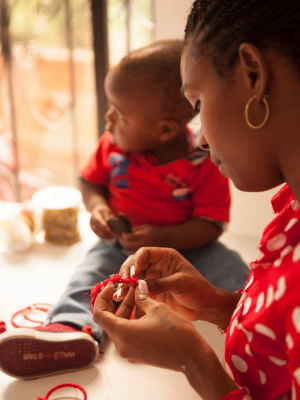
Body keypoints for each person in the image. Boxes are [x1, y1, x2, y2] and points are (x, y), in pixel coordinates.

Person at [0, 39, 248, 379]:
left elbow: (211, 224)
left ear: (164, 130)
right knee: (88, 278)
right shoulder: (113, 145)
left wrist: (164, 236)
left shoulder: (202, 160)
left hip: (193, 249)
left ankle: (260, 314)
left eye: (119, 112)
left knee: (234, 269)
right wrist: (99, 208)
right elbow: (89, 183)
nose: (108, 117)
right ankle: (69, 332)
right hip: (121, 247)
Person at [92, 1, 300, 399]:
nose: (201, 138)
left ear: (253, 74)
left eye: (199, 105)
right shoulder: (290, 210)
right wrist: (217, 304)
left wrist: (193, 360)